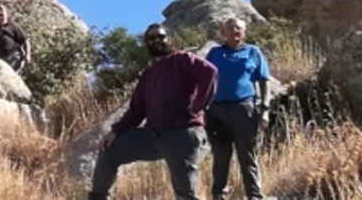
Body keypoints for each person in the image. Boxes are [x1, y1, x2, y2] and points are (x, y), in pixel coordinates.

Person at [89, 23, 218, 200]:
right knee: (109, 150)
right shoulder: (148, 74)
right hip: (153, 135)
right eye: (152, 38)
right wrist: (115, 132)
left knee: (185, 192)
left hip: (182, 133)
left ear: (169, 39)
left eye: (161, 36)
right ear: (147, 43)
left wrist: (198, 105)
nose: (157, 40)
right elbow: (136, 111)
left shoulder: (182, 59)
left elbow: (210, 72)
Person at [204, 17, 271, 200]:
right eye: (230, 28)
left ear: (244, 32)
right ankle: (219, 195)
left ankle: (254, 196)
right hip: (217, 110)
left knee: (247, 155)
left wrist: (264, 110)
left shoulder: (253, 52)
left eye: (238, 28)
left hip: (244, 108)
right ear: (223, 33)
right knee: (221, 155)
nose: (235, 31)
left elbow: (264, 83)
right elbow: (204, 80)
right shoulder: (215, 53)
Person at [0, 4, 30, 71]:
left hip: (12, 57)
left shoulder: (13, 27)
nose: (0, 17)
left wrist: (27, 55)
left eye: (2, 15)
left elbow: (25, 41)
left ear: (6, 15)